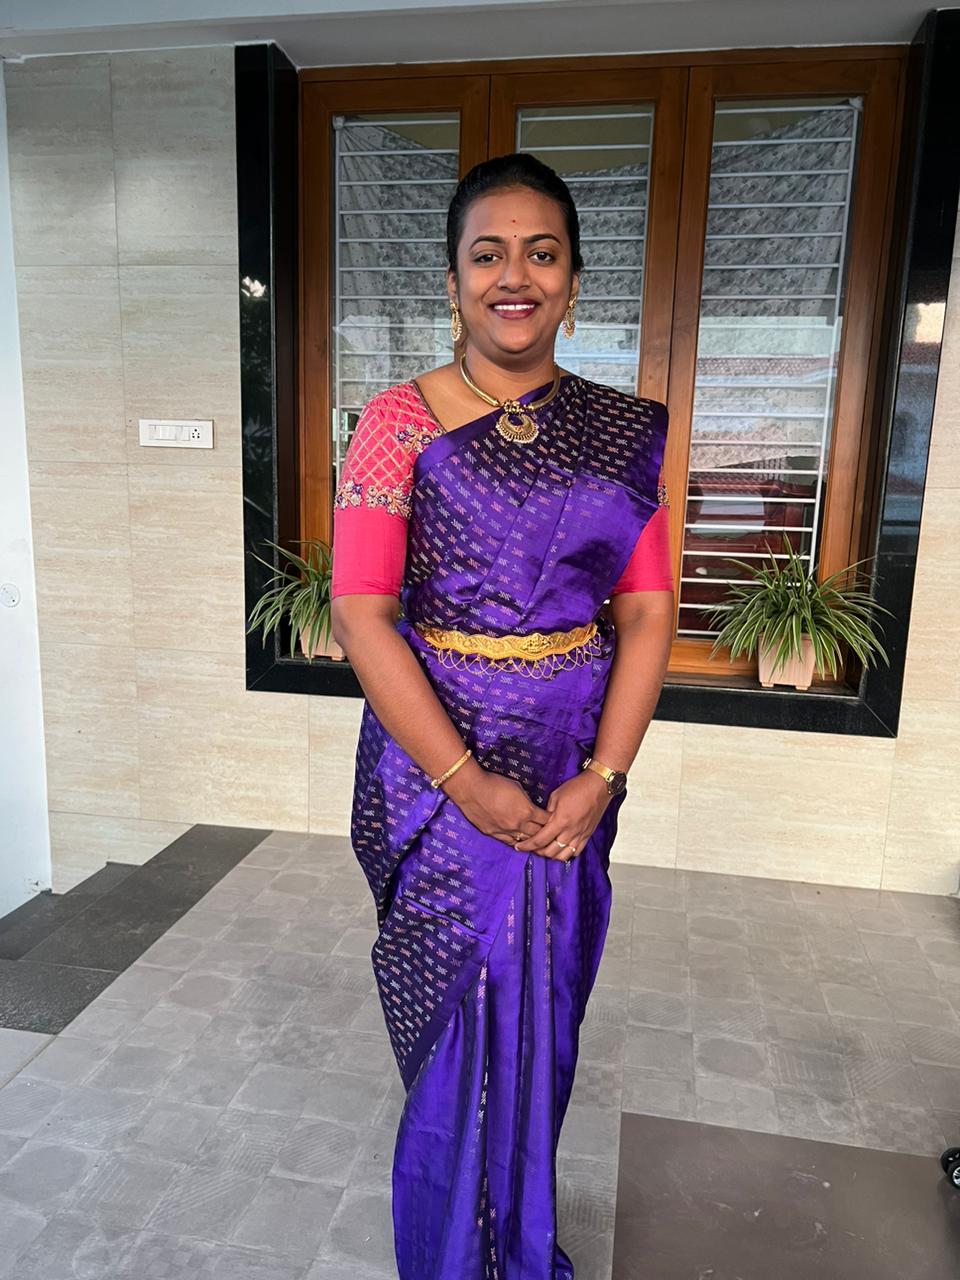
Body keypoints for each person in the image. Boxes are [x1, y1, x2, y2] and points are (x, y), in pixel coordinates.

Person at [330, 152, 675, 1280]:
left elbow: (647, 609)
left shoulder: (624, 430)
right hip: (437, 771)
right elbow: (362, 612)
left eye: (542, 253)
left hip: (573, 757)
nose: (513, 276)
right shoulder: (398, 423)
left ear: (574, 282)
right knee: (459, 1027)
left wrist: (604, 777)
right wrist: (466, 781)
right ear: (453, 282)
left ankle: (518, 1248)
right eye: (488, 254)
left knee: (541, 1020)